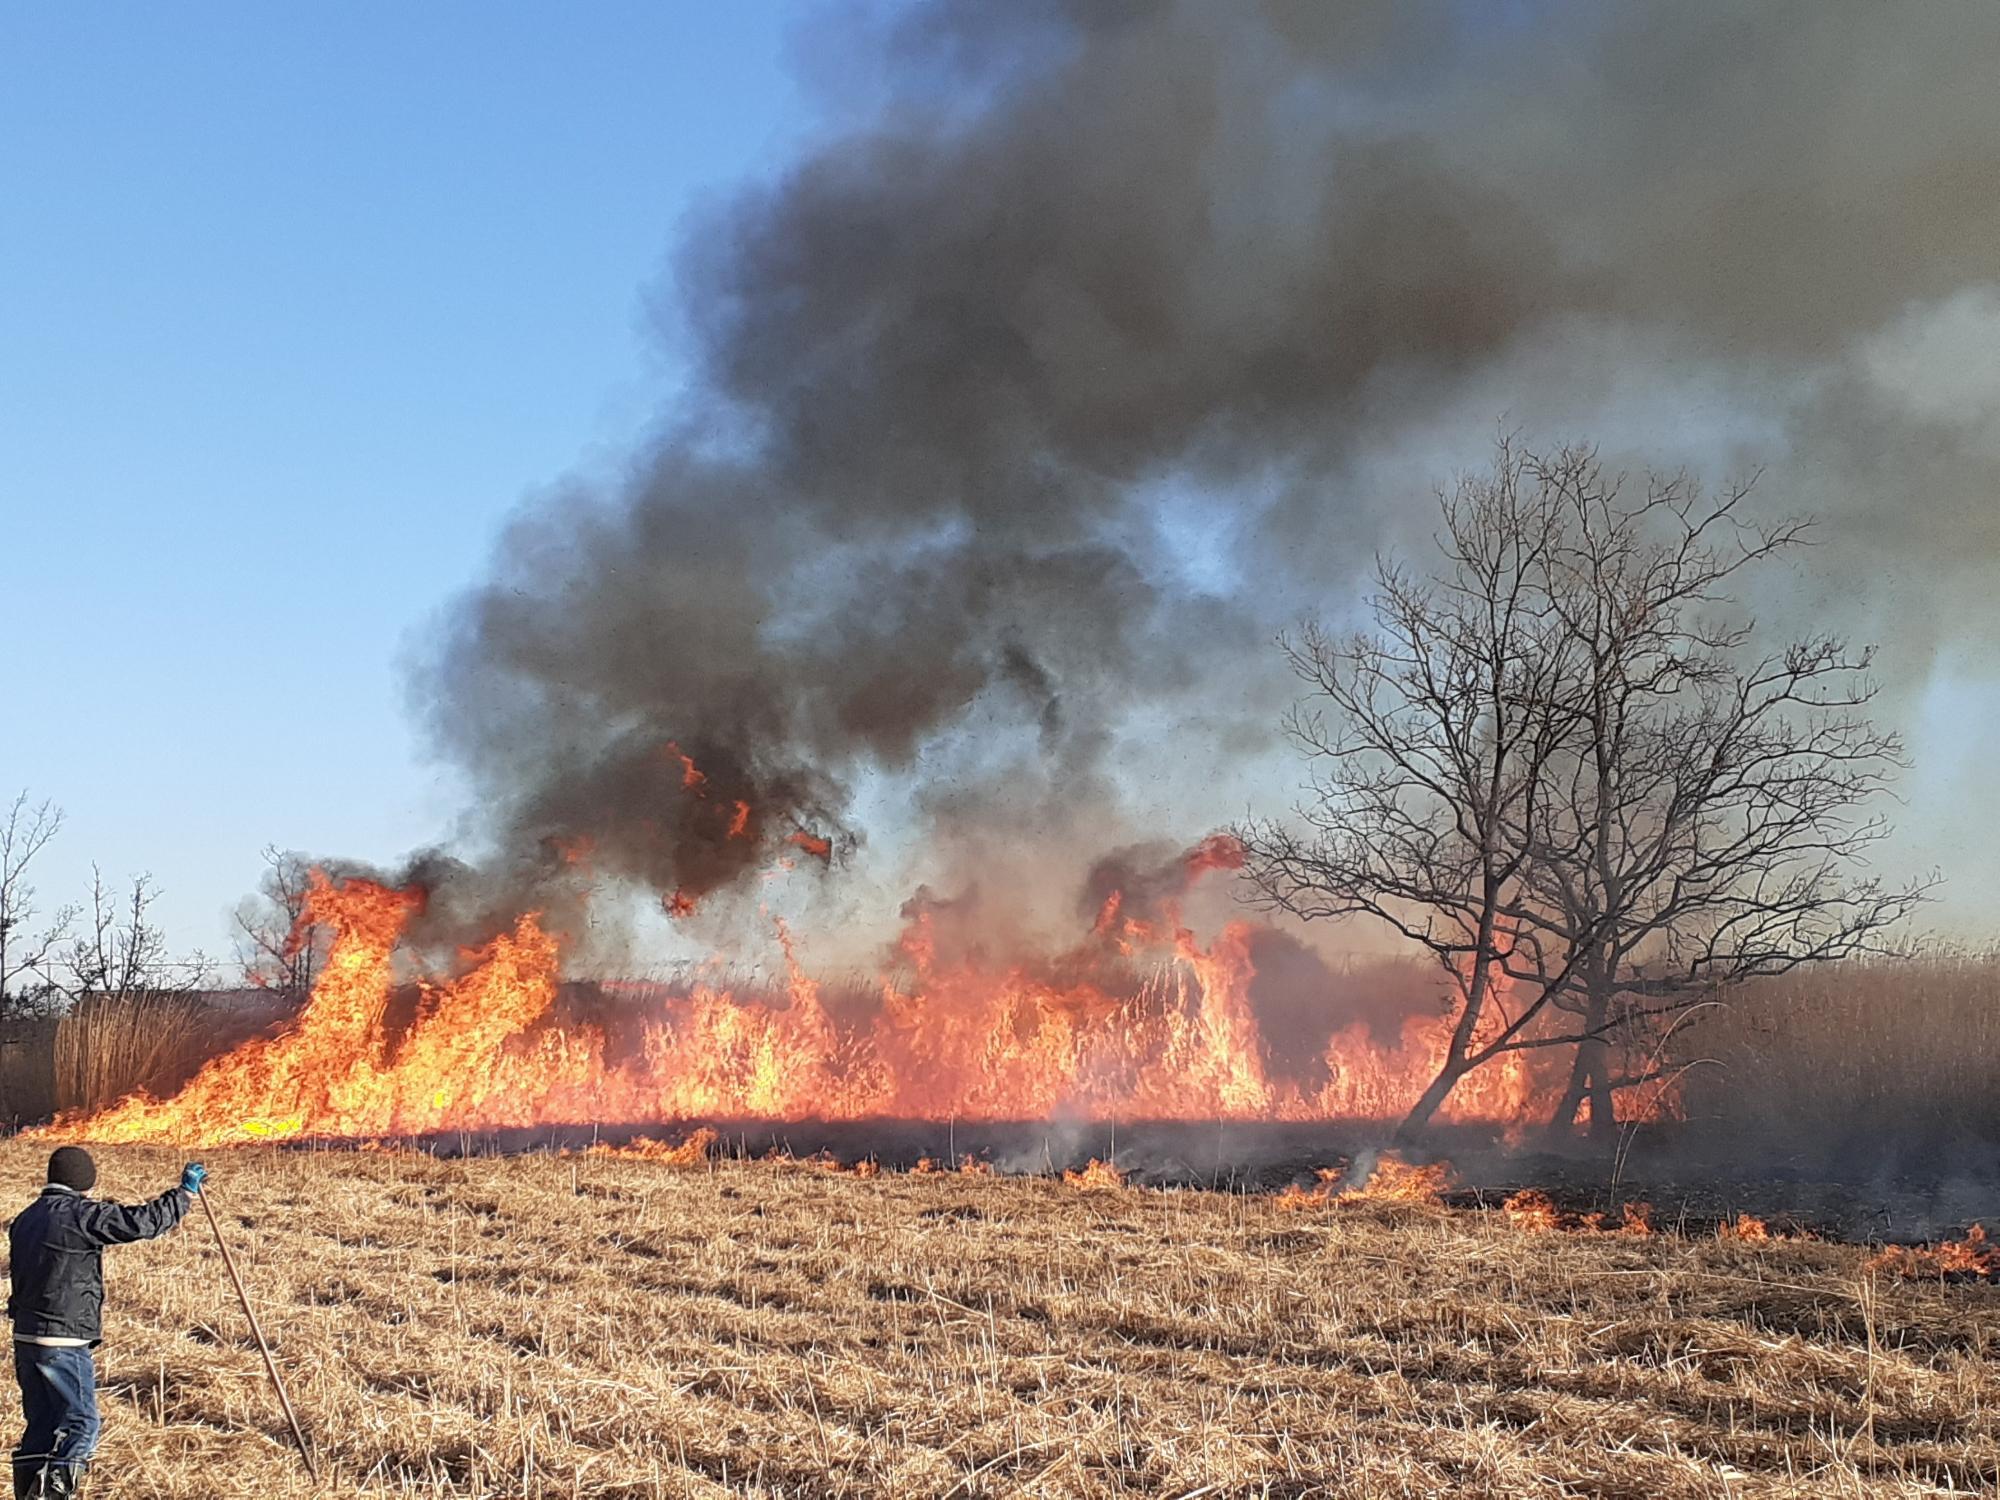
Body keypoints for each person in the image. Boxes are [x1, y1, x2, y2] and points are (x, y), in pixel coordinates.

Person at [6, 1148, 205, 1499]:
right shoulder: (81, 1215)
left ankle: (27, 1494)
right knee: (82, 1423)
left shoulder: (26, 1218)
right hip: (63, 1341)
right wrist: (184, 1194)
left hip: (26, 1338)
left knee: (41, 1426)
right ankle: (55, 1495)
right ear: (83, 1179)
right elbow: (141, 1222)